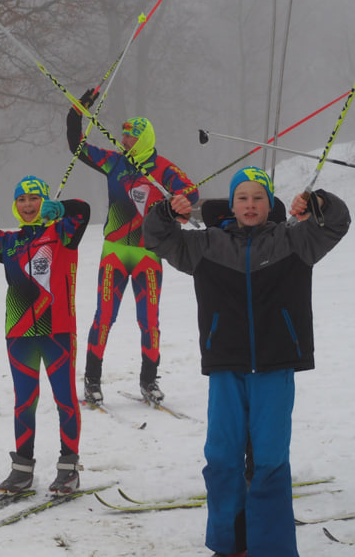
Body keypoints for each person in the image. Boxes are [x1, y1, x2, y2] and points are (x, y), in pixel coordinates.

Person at [143, 166, 350, 557]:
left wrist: (318, 201)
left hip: (275, 366)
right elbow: (157, 237)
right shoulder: (206, 244)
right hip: (226, 366)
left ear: (270, 203)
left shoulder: (294, 240)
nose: (251, 205)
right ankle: (229, 545)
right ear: (232, 204)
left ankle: (271, 549)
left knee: (270, 460)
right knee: (222, 457)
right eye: (243, 197)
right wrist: (168, 211)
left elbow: (337, 222)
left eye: (258, 197)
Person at [0, 176, 90, 494]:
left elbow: (82, 210)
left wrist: (63, 208)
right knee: (24, 402)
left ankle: (69, 468)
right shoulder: (8, 241)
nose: (28, 205)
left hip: (57, 330)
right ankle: (22, 469)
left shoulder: (63, 234)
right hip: (19, 333)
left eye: (34, 198)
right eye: (21, 200)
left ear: (44, 201)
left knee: (65, 399)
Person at [66, 90, 198, 406]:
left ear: (142, 139)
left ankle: (149, 381)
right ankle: (92, 381)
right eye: (123, 136)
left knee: (149, 320)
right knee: (104, 317)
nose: (123, 141)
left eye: (129, 137)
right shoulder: (114, 163)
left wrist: (177, 200)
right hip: (114, 251)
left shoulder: (162, 168)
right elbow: (77, 146)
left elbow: (191, 193)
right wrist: (78, 111)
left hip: (148, 253)